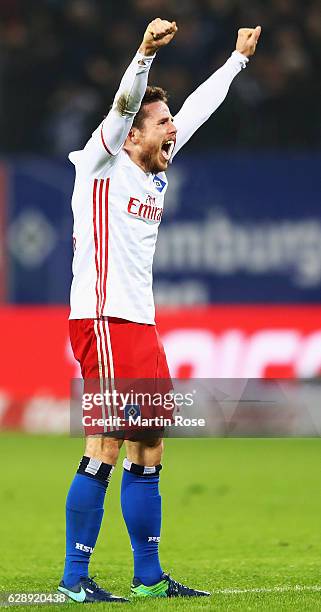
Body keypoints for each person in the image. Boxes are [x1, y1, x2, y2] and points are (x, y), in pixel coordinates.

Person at [58, 17, 261, 603]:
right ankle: (74, 580)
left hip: (138, 324)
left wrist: (237, 60)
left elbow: (197, 110)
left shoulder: (152, 170)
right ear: (128, 135)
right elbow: (125, 104)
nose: (173, 132)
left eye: (170, 124)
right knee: (106, 445)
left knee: (150, 444)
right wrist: (143, 52)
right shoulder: (102, 163)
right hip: (102, 320)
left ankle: (147, 578)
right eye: (161, 124)